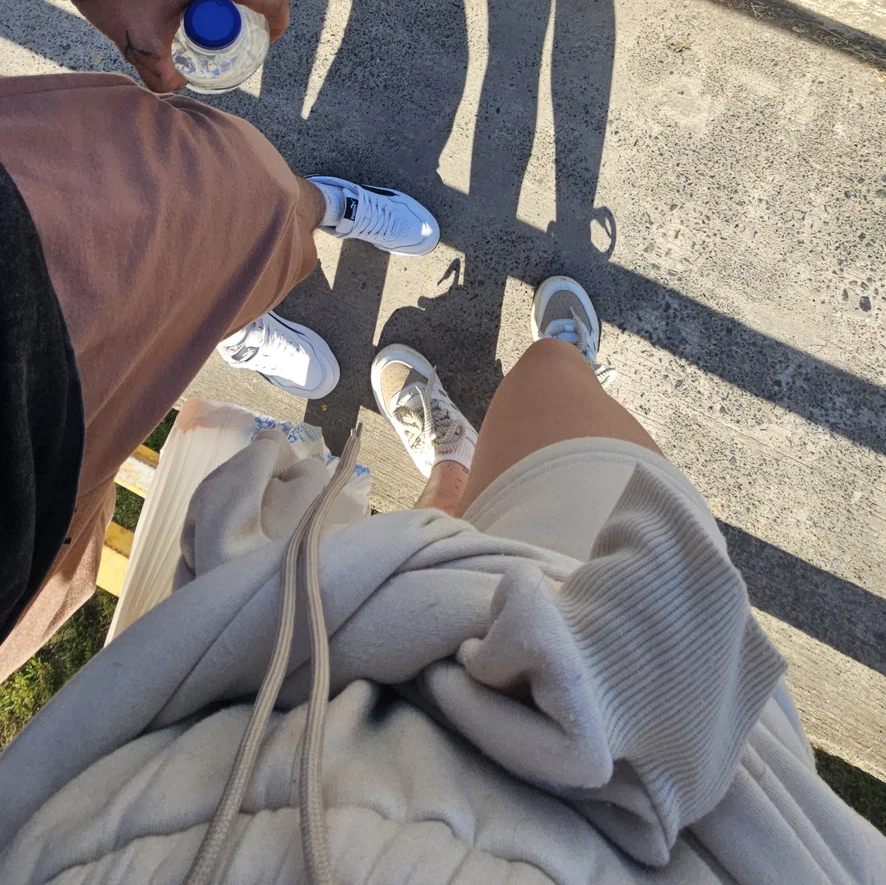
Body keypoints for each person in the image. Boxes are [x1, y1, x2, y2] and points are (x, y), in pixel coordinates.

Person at [0, 273, 881, 884]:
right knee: (548, 383)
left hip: (237, 743)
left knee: (429, 539)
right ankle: (555, 370)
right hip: (632, 737)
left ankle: (454, 474)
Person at [0, 0, 440, 680]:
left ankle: (311, 209)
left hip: (24, 254)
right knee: (155, 355)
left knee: (242, 190)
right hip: (33, 541)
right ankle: (216, 322)